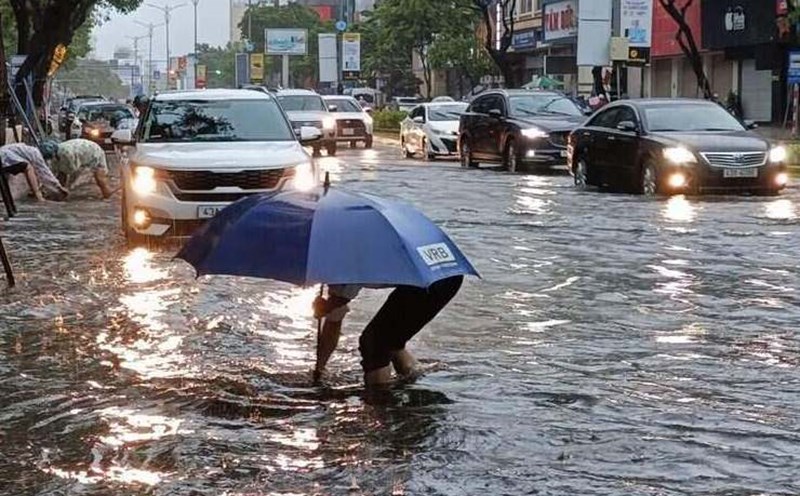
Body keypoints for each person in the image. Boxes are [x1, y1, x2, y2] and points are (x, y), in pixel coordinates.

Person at [312, 276, 464, 386]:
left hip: (437, 281)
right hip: (440, 274)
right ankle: (411, 376)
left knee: (374, 342)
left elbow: (334, 317)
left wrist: (327, 307)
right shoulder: (338, 262)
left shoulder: (344, 267)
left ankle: (381, 400)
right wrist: (320, 369)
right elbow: (334, 317)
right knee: (390, 339)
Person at [40, 139, 114, 199]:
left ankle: (107, 195)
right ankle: (59, 193)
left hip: (94, 153)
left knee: (99, 179)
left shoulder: (67, 154)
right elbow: (55, 172)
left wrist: (67, 189)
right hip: (82, 153)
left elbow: (74, 174)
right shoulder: (57, 154)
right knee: (62, 173)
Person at [0, 143, 68, 201]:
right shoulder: (36, 154)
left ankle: (4, 196)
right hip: (4, 157)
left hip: (4, 155)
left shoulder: (29, 149)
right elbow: (45, 173)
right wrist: (59, 187)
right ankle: (38, 196)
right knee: (28, 168)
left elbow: (39, 173)